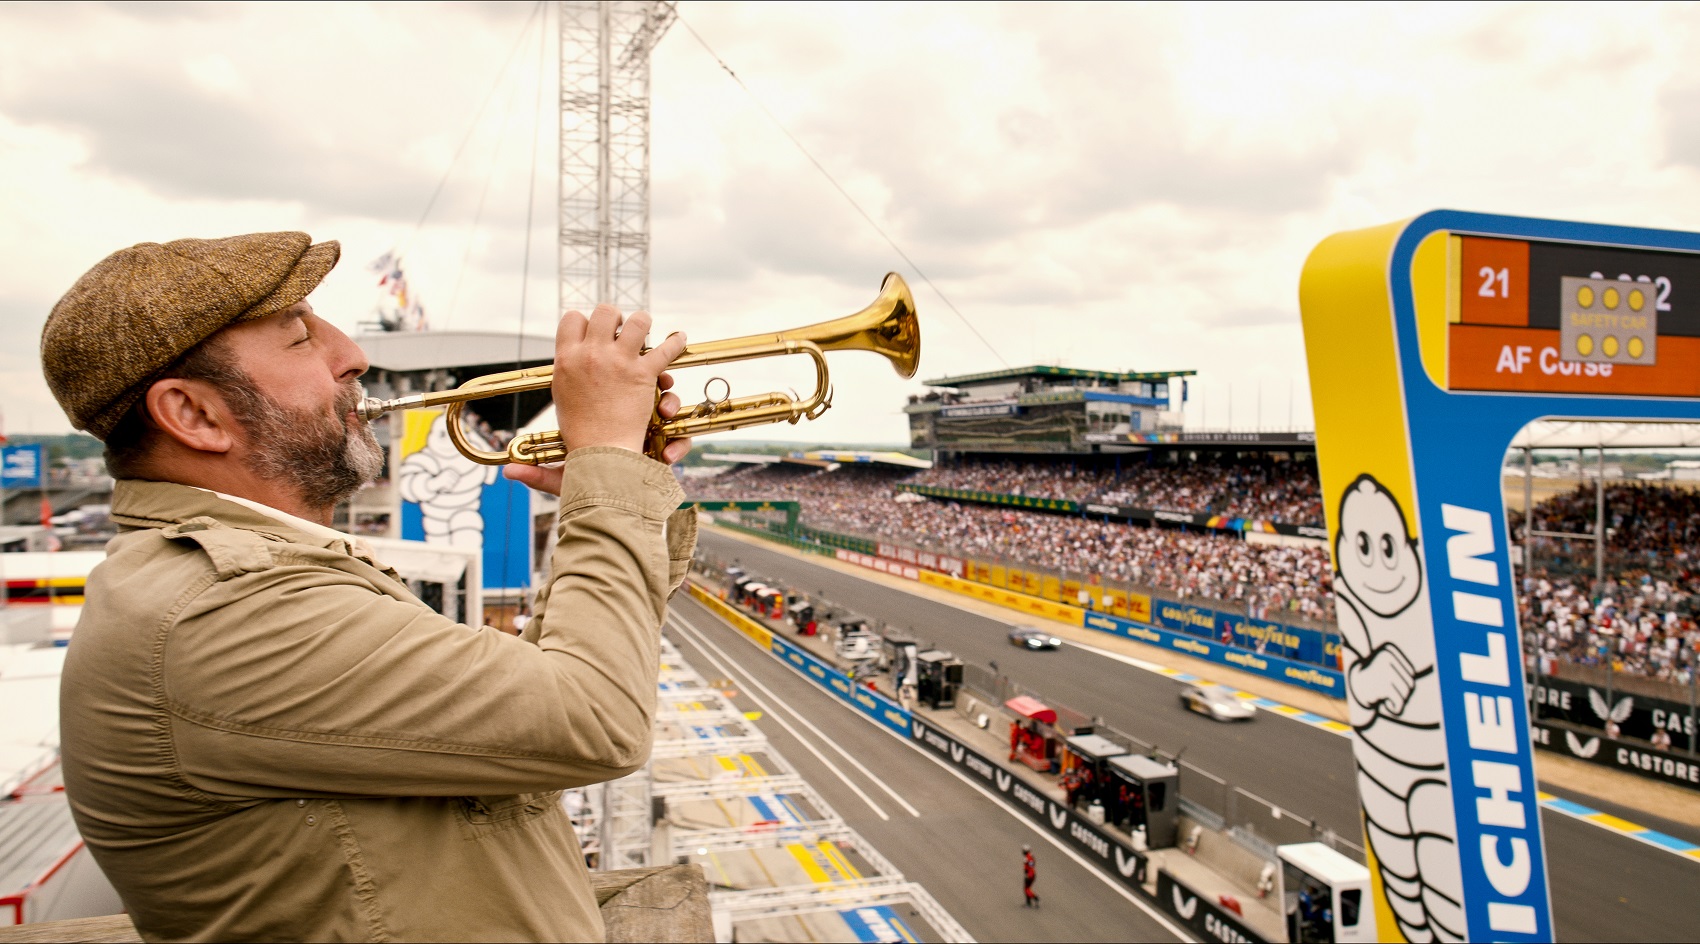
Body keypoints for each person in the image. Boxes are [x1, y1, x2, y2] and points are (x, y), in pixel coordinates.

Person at [44, 233, 697, 941]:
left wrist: (623, 487)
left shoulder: (258, 581)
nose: (352, 355)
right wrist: (605, 463)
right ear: (195, 415)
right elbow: (593, 719)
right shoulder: (221, 610)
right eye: (300, 339)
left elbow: (528, 738)